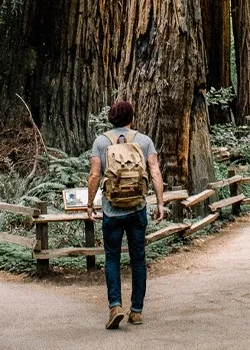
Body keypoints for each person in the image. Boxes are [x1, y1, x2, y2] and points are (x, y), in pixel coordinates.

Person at [87, 100, 165, 329]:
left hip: (112, 211)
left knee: (112, 258)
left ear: (111, 118)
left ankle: (115, 306)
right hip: (137, 209)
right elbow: (155, 172)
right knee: (138, 259)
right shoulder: (143, 141)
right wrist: (160, 203)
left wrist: (90, 204)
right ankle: (137, 311)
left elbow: (94, 176)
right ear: (132, 118)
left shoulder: (101, 142)